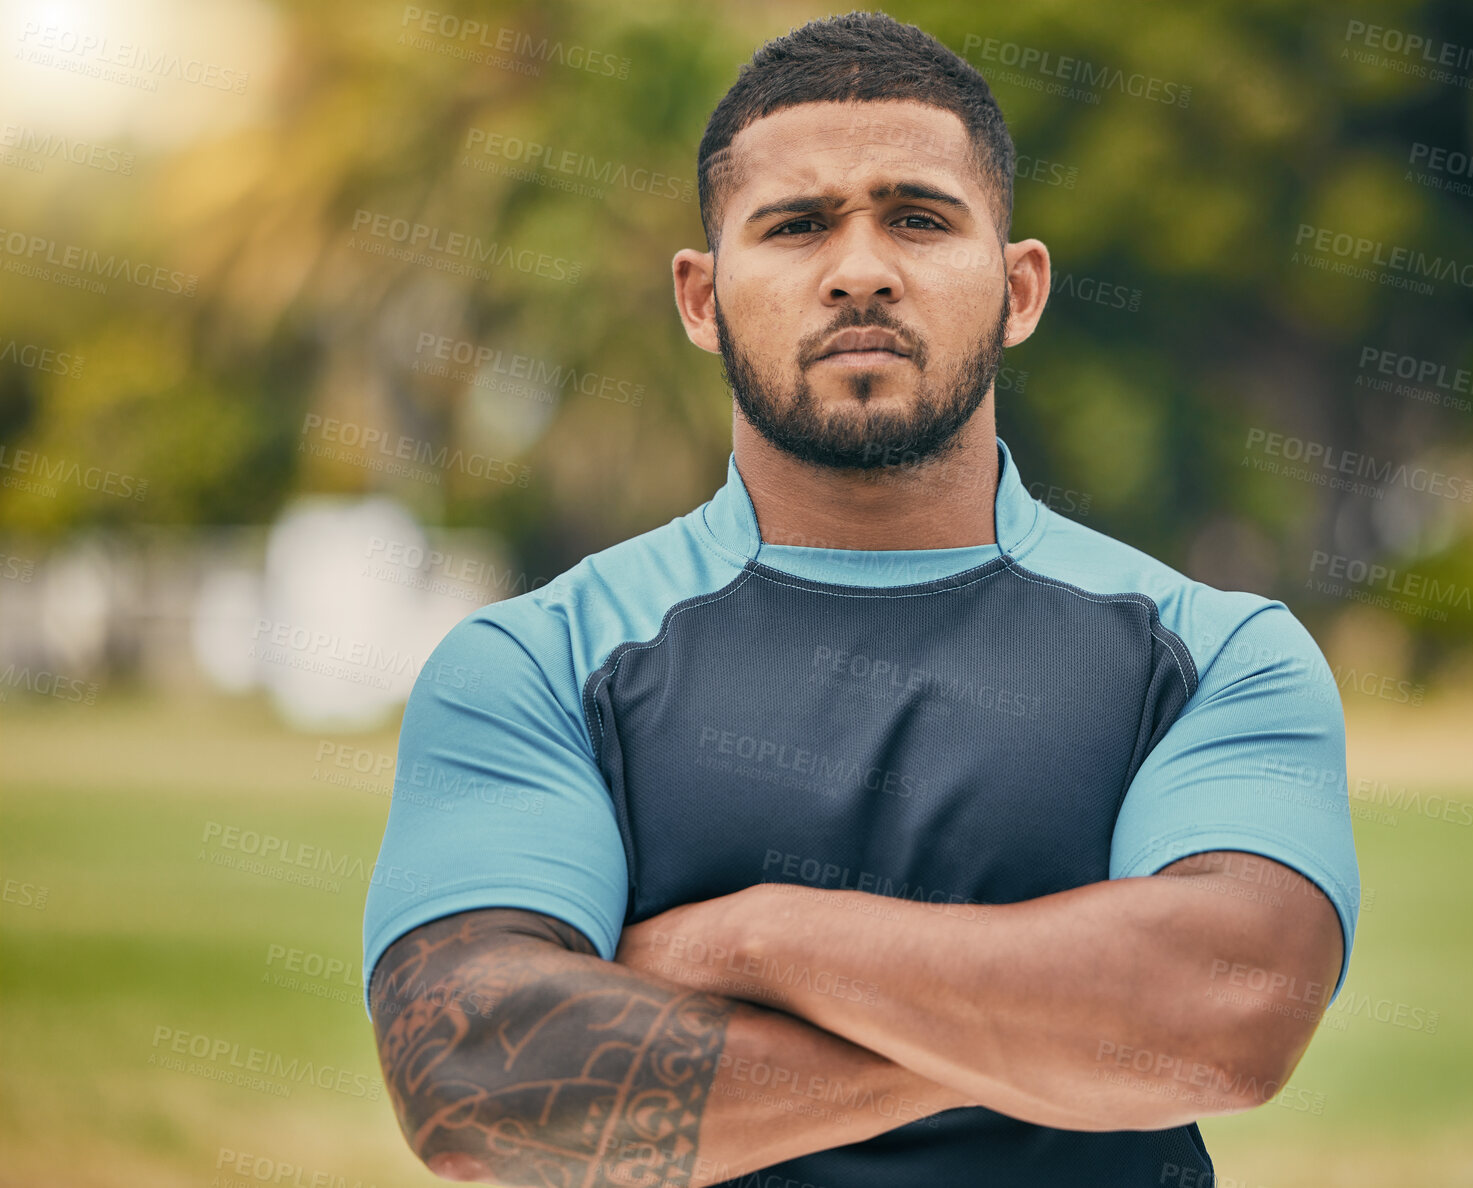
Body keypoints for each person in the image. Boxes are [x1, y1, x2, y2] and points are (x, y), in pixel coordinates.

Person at [362, 12, 1359, 1186]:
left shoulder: (1215, 652)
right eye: (794, 226)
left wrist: (744, 938)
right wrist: (1078, 1040)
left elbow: (1230, 1007)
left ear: (1018, 286)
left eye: (921, 218)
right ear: (699, 296)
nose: (860, 269)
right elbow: (478, 1080)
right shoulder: (535, 664)